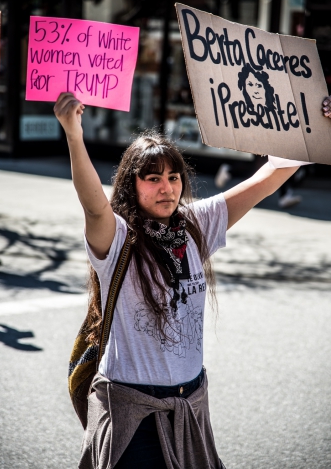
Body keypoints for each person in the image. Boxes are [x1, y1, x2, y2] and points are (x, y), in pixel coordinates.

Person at [54, 92, 328, 469]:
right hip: (133, 413)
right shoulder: (117, 238)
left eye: (173, 177)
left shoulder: (197, 223)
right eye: (152, 179)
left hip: (190, 406)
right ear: (131, 185)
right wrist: (73, 133)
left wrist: (314, 123)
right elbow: (92, 204)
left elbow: (270, 176)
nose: (166, 187)